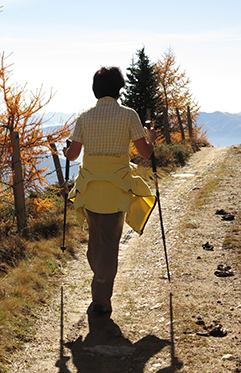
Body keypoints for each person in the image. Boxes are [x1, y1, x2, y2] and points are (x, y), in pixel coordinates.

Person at [64, 66, 157, 315]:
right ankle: (101, 293)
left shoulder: (84, 117)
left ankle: (100, 290)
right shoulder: (129, 115)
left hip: (90, 188)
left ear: (95, 89)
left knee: (97, 241)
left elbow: (72, 155)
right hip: (117, 189)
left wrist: (65, 150)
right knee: (108, 243)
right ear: (119, 88)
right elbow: (145, 153)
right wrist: (151, 138)